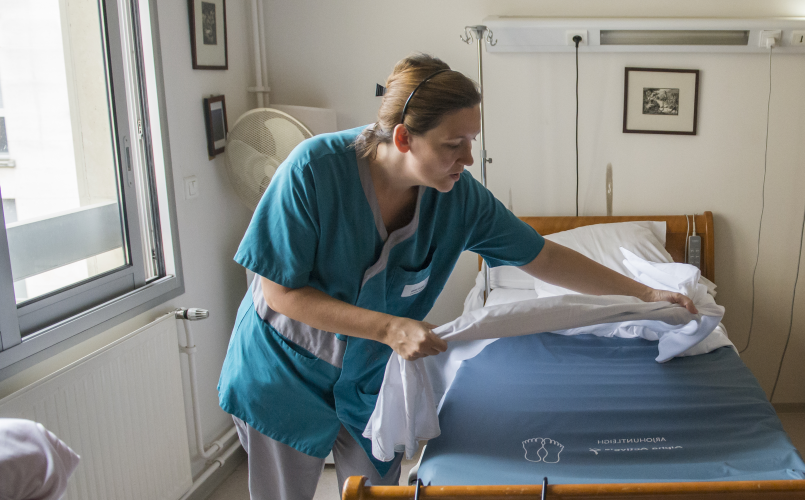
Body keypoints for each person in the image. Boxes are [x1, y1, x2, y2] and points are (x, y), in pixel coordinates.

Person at [217, 53, 697, 500]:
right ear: (404, 138)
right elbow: (281, 293)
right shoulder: (313, 171)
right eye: (454, 145)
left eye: (472, 142)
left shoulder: (459, 199)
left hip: (365, 381)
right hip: (284, 373)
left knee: (378, 492)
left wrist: (645, 292)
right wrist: (389, 328)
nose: (469, 159)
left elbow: (543, 258)